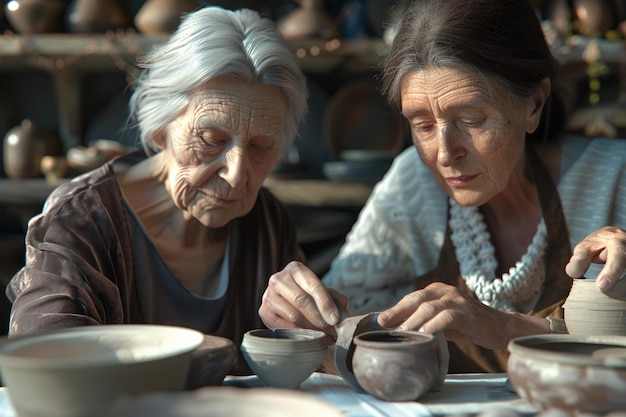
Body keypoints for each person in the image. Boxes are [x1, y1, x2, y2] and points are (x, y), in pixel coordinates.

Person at [259, 0, 626, 373]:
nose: (445, 154)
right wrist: (299, 310)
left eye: (470, 119)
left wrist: (504, 327)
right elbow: (334, 323)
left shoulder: (615, 180)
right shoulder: (415, 185)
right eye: (422, 125)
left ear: (533, 104)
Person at [6, 6, 308, 374]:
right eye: (211, 140)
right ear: (160, 130)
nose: (236, 176)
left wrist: (313, 331)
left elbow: (291, 358)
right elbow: (46, 368)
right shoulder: (80, 220)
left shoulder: (268, 222)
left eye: (261, 147)